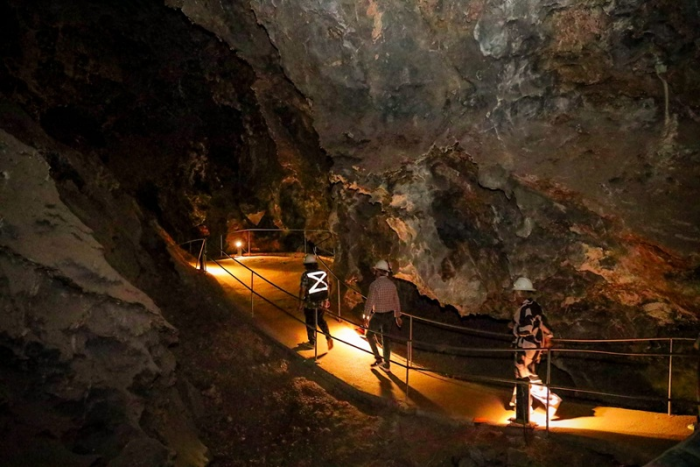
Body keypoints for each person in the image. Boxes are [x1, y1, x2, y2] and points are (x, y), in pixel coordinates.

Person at [510, 277, 561, 418]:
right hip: (534, 345)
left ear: (519, 293)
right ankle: (523, 404)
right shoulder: (535, 306)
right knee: (523, 373)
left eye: (515, 293)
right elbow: (540, 324)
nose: (514, 296)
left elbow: (527, 329)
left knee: (525, 374)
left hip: (526, 345)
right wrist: (548, 335)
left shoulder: (525, 309)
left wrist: (514, 329)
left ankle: (551, 400)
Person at [365, 259, 402, 373]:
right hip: (390, 315)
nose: (375, 273)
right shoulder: (392, 285)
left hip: (378, 315)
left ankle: (378, 359)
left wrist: (366, 316)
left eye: (376, 271)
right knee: (386, 339)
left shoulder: (375, 285)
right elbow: (396, 301)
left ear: (378, 271)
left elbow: (370, 301)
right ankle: (386, 364)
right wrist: (397, 316)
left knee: (369, 335)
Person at [298, 254, 333, 351]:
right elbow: (327, 286)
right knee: (320, 320)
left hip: (310, 302)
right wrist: (326, 300)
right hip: (321, 301)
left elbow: (302, 290)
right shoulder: (323, 273)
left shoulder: (305, 275)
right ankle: (328, 337)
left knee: (310, 321)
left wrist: (300, 303)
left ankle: (312, 342)